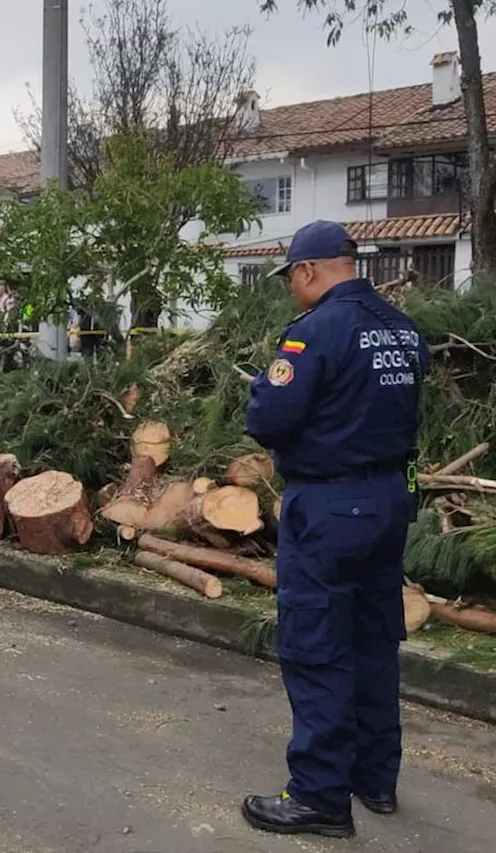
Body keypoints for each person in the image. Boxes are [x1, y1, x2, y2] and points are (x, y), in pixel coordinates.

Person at [240, 220, 427, 839]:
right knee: (374, 640)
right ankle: (375, 778)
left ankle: (319, 796)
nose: (293, 290)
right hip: (390, 499)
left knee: (317, 646)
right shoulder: (401, 329)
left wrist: (264, 392)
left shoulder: (314, 332)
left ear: (307, 271)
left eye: (291, 278)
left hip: (329, 505)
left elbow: (269, 417)